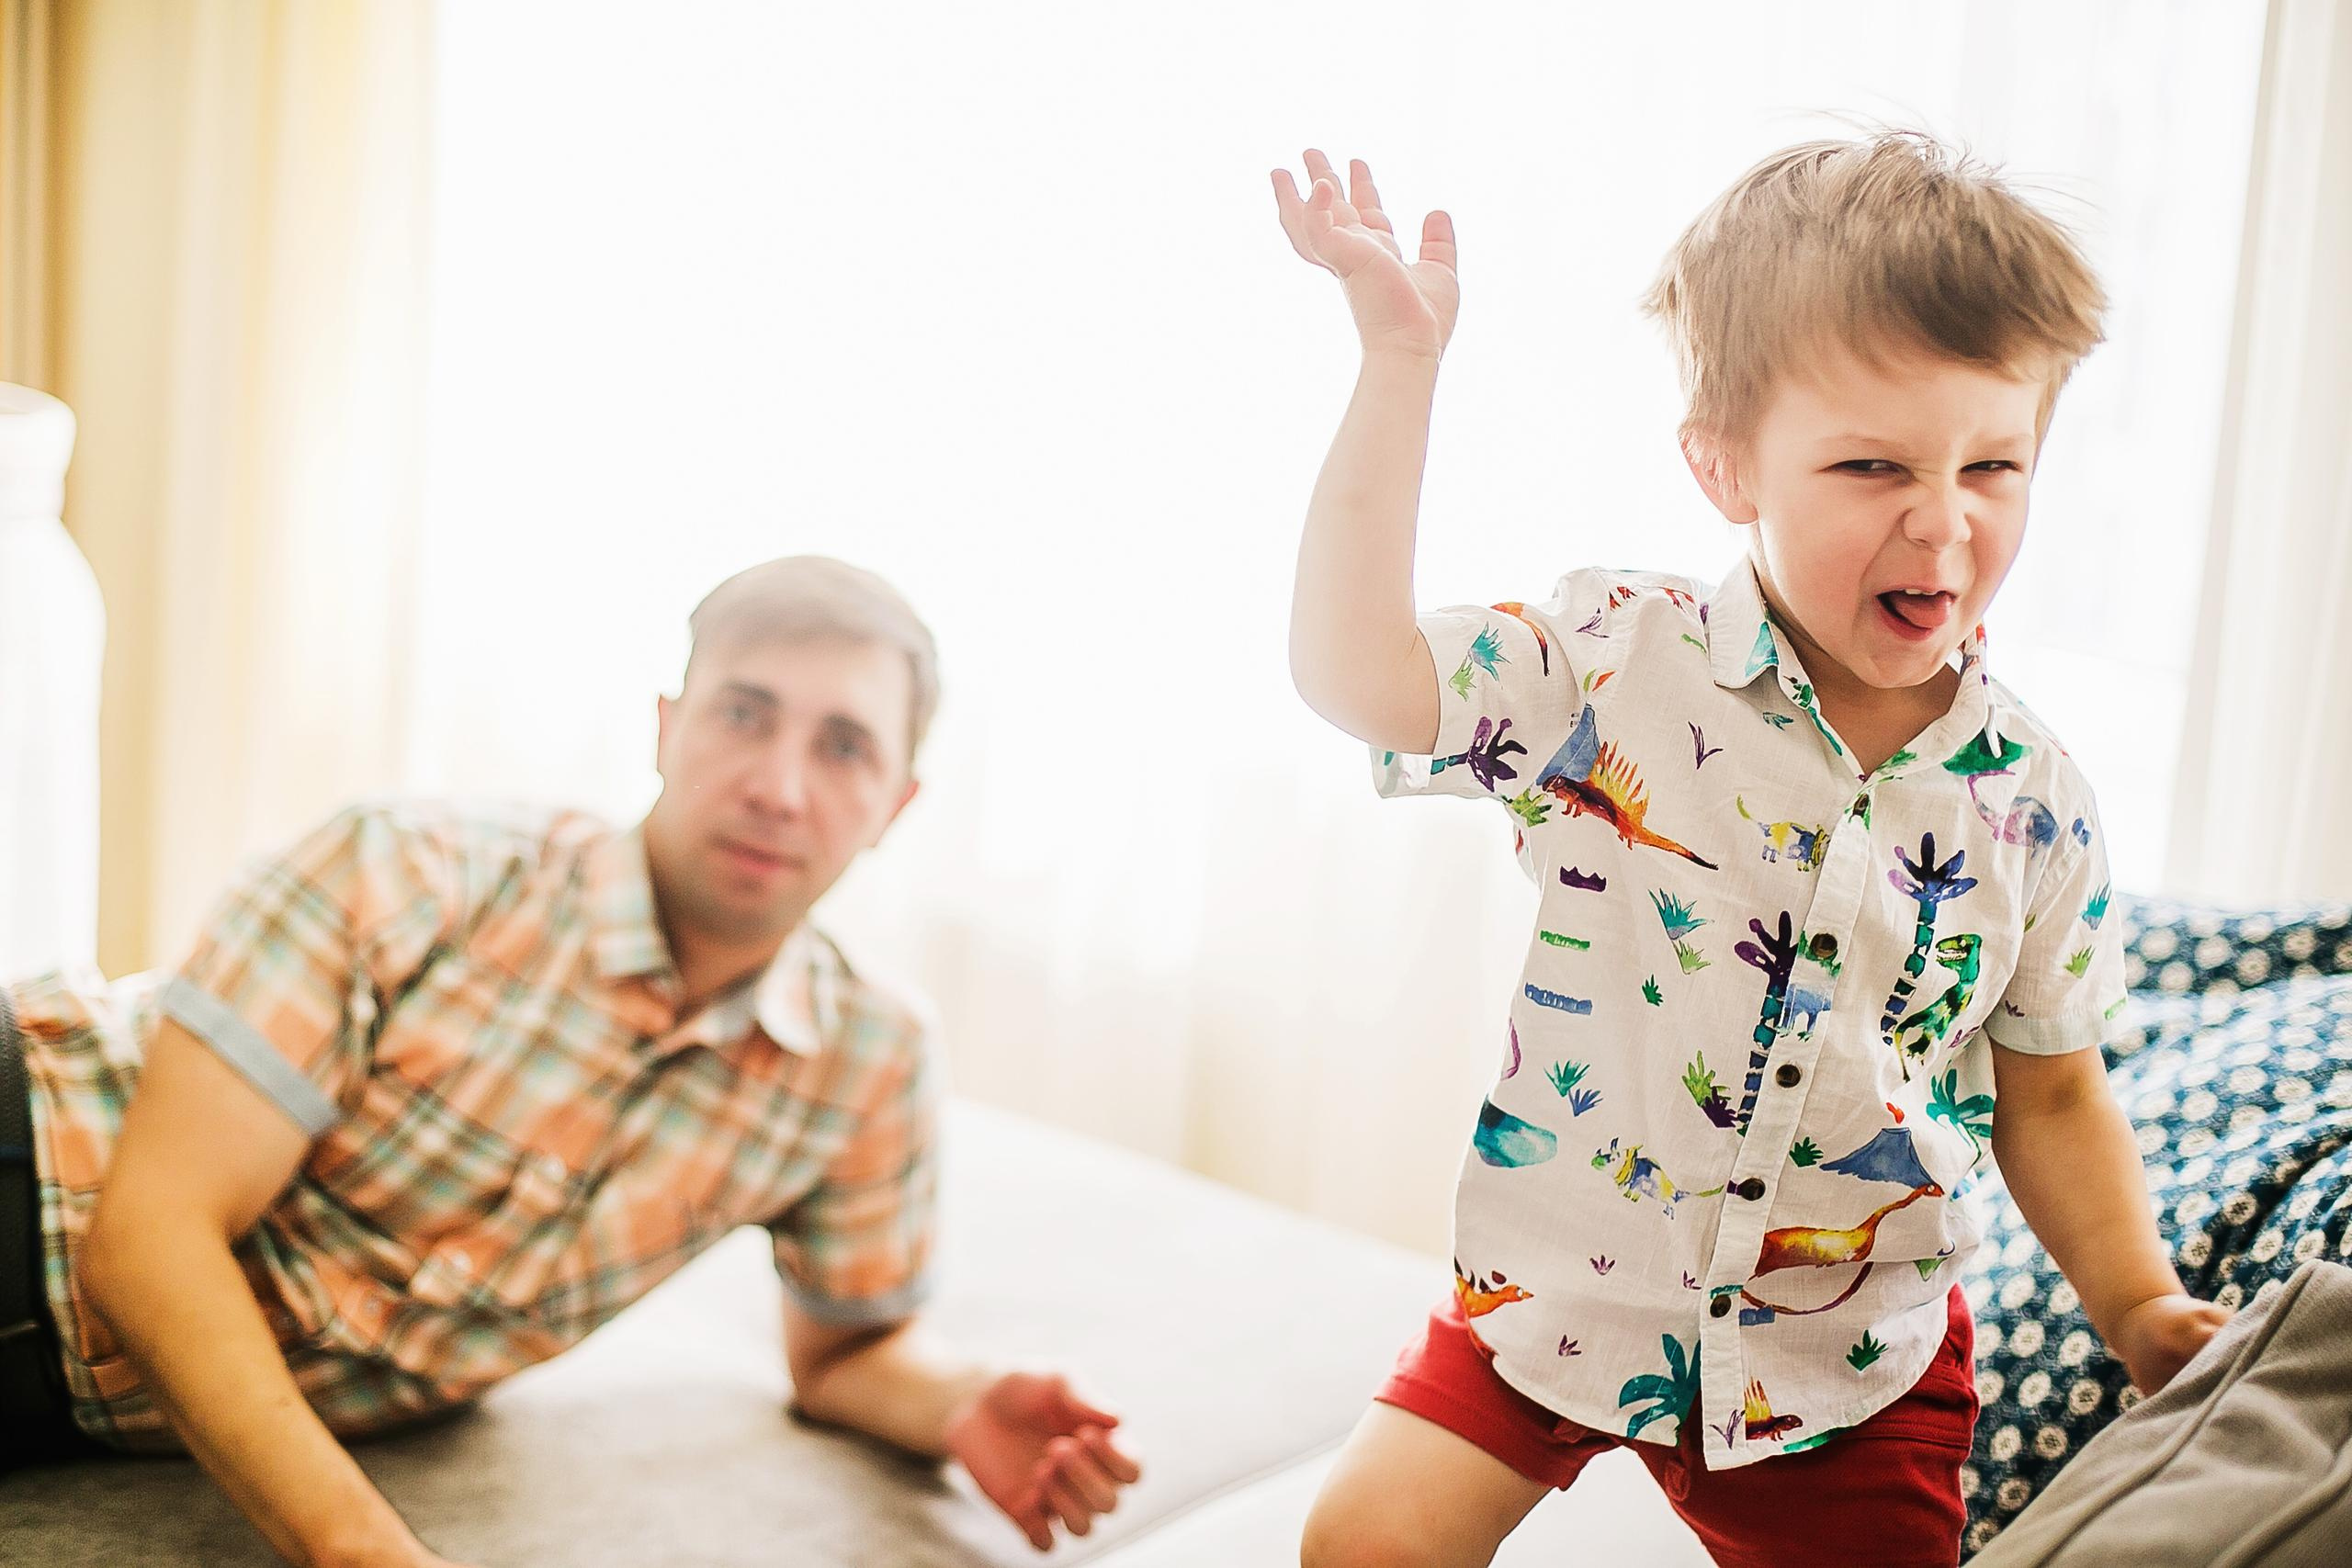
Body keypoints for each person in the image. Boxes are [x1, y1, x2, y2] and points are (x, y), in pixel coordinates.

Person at [1270, 133, 2232, 1568]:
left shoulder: (2036, 801)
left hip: (1849, 1360)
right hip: (1561, 1284)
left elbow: (2053, 1094)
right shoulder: (1607, 662)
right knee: (1362, 1541)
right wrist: (1397, 368)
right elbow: (1358, 672)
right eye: (1871, 463)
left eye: (1994, 465)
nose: (1942, 519)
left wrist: (2140, 1302)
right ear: (1724, 463)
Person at [0, 556, 1139, 1565]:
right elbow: (147, 1241)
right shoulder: (408, 868)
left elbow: (845, 1353)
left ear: (895, 804)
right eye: (744, 713)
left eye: (842, 747)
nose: (779, 786)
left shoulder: (867, 1064)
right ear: (664, 726)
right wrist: (364, 1548)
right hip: (31, 1160)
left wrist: (962, 1401)